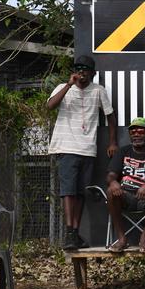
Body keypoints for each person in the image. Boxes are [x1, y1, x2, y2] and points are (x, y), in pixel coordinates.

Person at [47, 55, 117, 250]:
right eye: (78, 68)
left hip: (88, 149)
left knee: (80, 193)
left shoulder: (98, 91)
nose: (81, 72)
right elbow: (50, 106)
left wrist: (112, 142)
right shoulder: (63, 87)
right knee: (68, 192)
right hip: (66, 147)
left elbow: (110, 117)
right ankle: (69, 232)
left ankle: (75, 234)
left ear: (93, 73)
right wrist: (69, 85)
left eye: (85, 69)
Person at [106, 117, 145, 253]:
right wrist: (113, 182)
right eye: (133, 132)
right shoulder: (123, 151)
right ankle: (122, 239)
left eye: (140, 131)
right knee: (111, 190)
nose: (136, 135)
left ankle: (144, 237)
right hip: (125, 197)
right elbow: (111, 175)